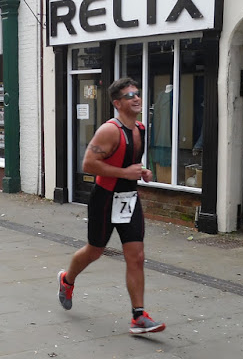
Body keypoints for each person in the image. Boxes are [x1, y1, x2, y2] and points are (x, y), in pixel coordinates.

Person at [57, 77, 166, 335]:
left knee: (137, 256)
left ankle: (138, 316)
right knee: (95, 251)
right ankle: (67, 279)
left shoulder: (140, 128)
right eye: (130, 96)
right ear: (117, 103)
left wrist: (141, 172)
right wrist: (125, 173)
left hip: (129, 199)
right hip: (104, 199)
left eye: (138, 93)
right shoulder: (109, 130)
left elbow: (128, 163)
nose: (137, 98)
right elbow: (88, 164)